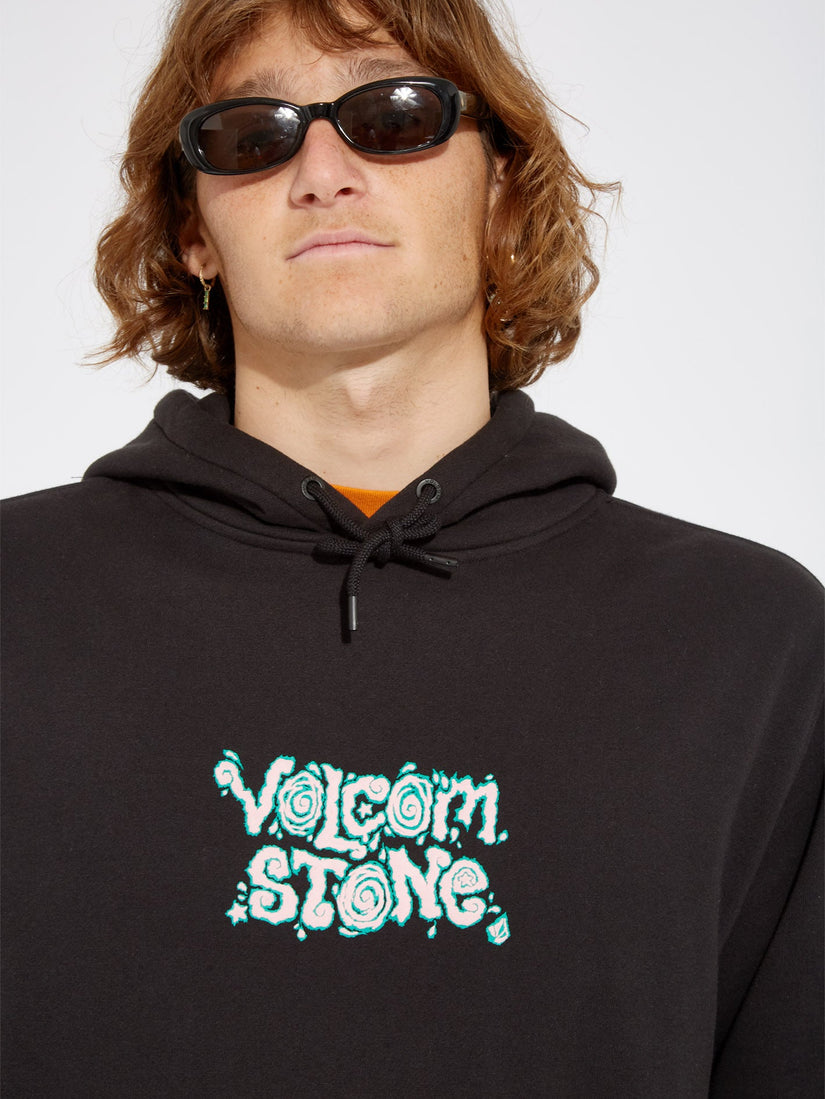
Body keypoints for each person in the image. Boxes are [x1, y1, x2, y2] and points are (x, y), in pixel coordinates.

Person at [2, 0, 821, 1094]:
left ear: (500, 189)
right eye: (252, 134)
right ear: (193, 229)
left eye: (393, 116)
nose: (322, 172)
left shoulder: (748, 647)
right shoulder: (18, 607)